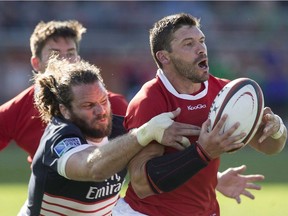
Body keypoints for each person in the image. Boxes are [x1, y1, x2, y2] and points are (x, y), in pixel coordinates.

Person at [112, 13, 287, 216]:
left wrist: (276, 129)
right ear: (164, 56)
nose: (201, 49)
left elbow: (269, 146)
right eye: (188, 44)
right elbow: (142, 184)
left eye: (201, 41)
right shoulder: (149, 100)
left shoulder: (224, 93)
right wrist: (202, 152)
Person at [18, 57, 198, 215]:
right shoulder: (59, 138)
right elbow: (92, 168)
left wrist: (216, 179)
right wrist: (144, 133)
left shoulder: (121, 129)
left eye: (104, 101)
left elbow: (159, 165)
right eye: (88, 106)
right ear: (65, 110)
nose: (101, 111)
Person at [0, 20, 128, 164]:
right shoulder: (18, 110)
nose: (64, 60)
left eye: (70, 53)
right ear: (36, 63)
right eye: (55, 54)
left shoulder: (111, 104)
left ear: (78, 59)